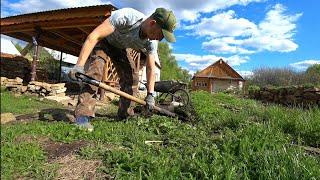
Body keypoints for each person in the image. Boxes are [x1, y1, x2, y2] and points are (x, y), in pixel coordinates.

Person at [68, 7, 177, 131]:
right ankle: (83, 116)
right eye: (161, 35)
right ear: (152, 23)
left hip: (120, 48)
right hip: (104, 41)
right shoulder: (127, 17)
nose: (160, 39)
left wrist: (151, 94)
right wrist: (79, 66)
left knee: (132, 78)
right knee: (95, 72)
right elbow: (94, 36)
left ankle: (125, 114)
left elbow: (151, 68)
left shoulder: (151, 42)